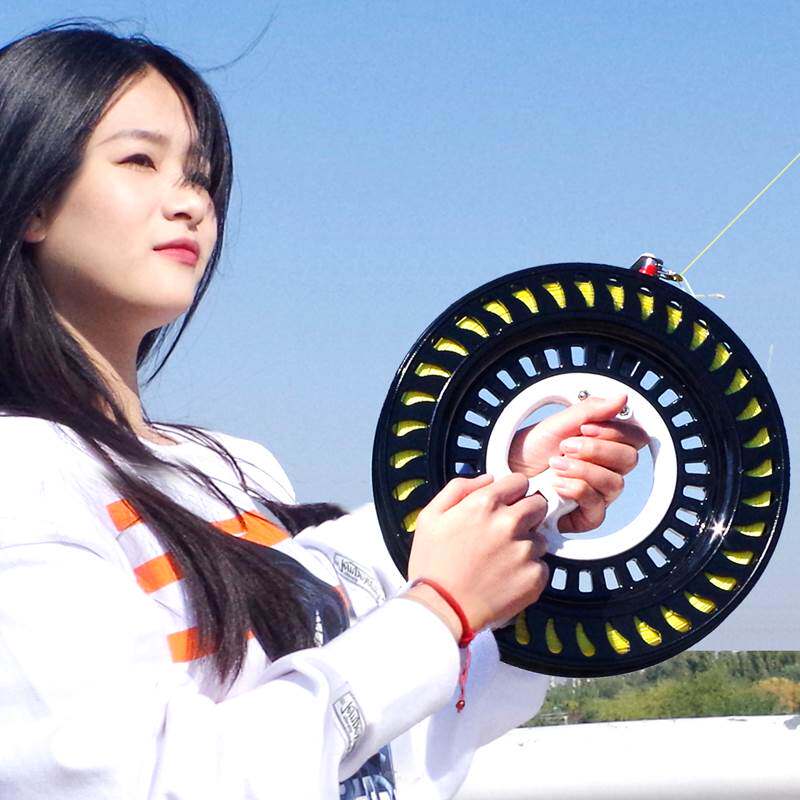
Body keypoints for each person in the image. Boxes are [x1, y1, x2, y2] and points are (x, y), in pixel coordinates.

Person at [0, 20, 646, 800]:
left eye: (200, 175)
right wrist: (438, 610)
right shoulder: (23, 477)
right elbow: (139, 784)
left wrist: (518, 493)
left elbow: (388, 742)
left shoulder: (233, 468)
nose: (190, 202)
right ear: (31, 198)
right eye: (141, 160)